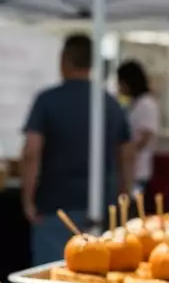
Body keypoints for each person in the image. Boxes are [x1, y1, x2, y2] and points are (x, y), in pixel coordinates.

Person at [21, 34, 133, 265]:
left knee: (51, 282)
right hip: (102, 204)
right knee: (95, 279)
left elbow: (31, 152)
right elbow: (128, 154)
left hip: (55, 205)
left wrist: (27, 199)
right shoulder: (110, 103)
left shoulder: (47, 101)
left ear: (64, 60)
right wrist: (124, 196)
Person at [117, 60, 160, 195]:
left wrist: (128, 152)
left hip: (138, 170)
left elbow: (146, 135)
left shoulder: (146, 104)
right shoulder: (134, 104)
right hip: (130, 168)